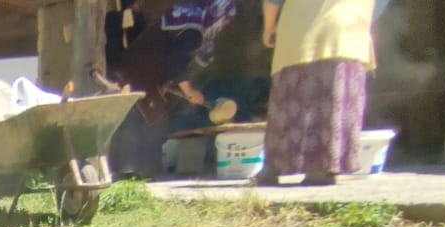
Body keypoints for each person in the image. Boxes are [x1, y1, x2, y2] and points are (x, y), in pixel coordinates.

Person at [104, 0, 237, 179]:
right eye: (226, 19)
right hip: (140, 77)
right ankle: (141, 175)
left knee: (139, 121)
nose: (225, 24)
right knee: (149, 122)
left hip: (134, 72)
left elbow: (168, 59)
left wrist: (186, 91)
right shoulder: (193, 30)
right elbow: (175, 64)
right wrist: (189, 91)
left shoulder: (187, 15)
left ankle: (130, 174)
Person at [257, 0, 379, 186]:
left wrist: (269, 28)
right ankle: (324, 167)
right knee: (334, 100)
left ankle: (275, 167)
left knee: (291, 99)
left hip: (301, 32)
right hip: (348, 31)